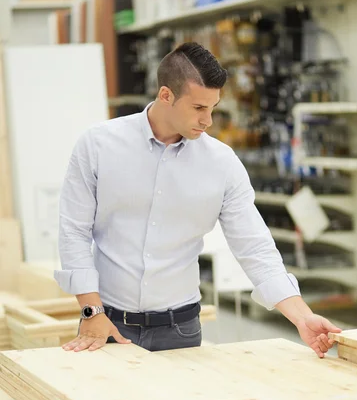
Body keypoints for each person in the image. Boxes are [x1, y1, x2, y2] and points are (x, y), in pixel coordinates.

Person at [55, 42, 341, 356]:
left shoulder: (222, 163)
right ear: (166, 95)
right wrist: (90, 312)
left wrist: (302, 317)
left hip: (180, 330)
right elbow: (74, 232)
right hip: (106, 324)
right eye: (198, 108)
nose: (208, 121)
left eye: (213, 108)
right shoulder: (97, 146)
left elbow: (254, 245)